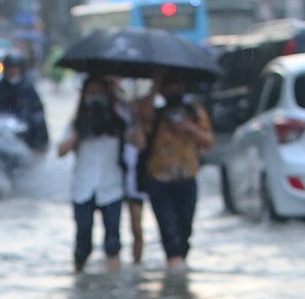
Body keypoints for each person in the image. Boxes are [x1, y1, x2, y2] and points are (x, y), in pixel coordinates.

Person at [139, 72, 215, 270]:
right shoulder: (156, 113)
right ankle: (175, 279)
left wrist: (188, 127)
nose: (173, 89)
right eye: (168, 85)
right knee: (169, 234)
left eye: (177, 84)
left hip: (187, 178)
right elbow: (141, 115)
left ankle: (178, 283)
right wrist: (155, 83)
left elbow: (208, 142)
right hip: (159, 180)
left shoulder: (194, 111)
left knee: (184, 234)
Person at [55, 75, 129, 272]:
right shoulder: (76, 122)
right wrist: (80, 131)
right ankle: (79, 277)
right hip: (83, 187)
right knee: (83, 239)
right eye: (92, 93)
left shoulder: (119, 119)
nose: (96, 97)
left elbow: (138, 142)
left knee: (113, 241)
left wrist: (121, 105)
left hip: (111, 186)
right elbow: (60, 151)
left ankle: (114, 283)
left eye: (100, 93)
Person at [0, 55, 49, 151]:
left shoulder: (27, 89)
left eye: (14, 68)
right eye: (9, 68)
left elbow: (36, 111)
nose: (11, 71)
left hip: (23, 133)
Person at [115, 78, 151, 262]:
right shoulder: (115, 115)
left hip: (138, 178)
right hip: (116, 177)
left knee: (136, 227)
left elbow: (141, 144)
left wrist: (137, 118)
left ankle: (137, 263)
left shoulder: (144, 120)